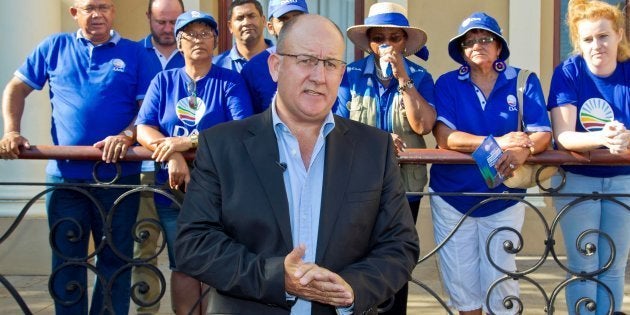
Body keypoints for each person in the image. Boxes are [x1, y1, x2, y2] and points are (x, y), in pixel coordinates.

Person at [175, 14, 419, 314]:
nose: (319, 76)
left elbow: (400, 245)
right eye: (306, 60)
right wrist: (277, 279)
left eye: (330, 63)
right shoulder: (222, 145)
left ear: (341, 73)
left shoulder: (374, 148)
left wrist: (352, 288)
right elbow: (194, 243)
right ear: (276, 67)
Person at [0, 0, 151, 314]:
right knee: (67, 264)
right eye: (89, 7)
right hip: (65, 179)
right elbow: (15, 88)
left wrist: (125, 134)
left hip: (118, 180)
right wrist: (12, 131)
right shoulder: (54, 46)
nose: (97, 14)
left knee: (116, 263)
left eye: (104, 6)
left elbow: (147, 114)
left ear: (114, 11)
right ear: (74, 12)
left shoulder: (137, 53)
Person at [429, 12, 552, 315]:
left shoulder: (524, 81)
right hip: (453, 198)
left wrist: (523, 151)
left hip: (504, 198)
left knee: (502, 283)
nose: (477, 45)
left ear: (499, 47)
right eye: (469, 42)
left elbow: (542, 134)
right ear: (461, 51)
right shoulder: (447, 83)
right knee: (462, 285)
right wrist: (498, 143)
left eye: (485, 39)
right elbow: (446, 137)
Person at [136, 10, 253, 314]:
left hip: (220, 190)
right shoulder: (163, 81)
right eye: (189, 34)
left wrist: (188, 142)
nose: (198, 40)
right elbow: (143, 127)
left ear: (216, 41)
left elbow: (242, 131)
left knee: (217, 262)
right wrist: (172, 153)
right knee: (183, 262)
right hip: (172, 188)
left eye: (205, 33)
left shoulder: (230, 81)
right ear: (178, 43)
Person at [335, 3, 435, 314]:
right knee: (358, 258)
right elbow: (335, 125)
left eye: (394, 37)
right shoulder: (350, 75)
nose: (387, 44)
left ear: (405, 41)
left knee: (396, 258)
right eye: (380, 38)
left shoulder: (421, 76)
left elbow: (424, 125)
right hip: (358, 186)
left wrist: (404, 77)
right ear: (370, 42)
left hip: (406, 187)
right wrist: (377, 141)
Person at [547, 0, 630, 314]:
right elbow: (564, 135)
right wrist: (605, 138)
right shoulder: (568, 72)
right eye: (588, 39)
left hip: (624, 181)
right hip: (577, 180)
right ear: (578, 42)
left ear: (619, 35)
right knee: (584, 262)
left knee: (613, 262)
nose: (597, 45)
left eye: (604, 36)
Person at [132, 0, 185, 313]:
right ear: (148, 18)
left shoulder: (196, 53)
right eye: (161, 22)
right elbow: (136, 117)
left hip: (191, 175)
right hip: (141, 171)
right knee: (143, 250)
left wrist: (176, 151)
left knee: (189, 255)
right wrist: (170, 150)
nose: (168, 29)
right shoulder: (132, 54)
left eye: (174, 22)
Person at [240, 0, 308, 113]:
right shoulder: (254, 69)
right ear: (270, 27)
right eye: (284, 19)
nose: (291, 23)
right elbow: (250, 122)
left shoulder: (325, 59)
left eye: (297, 17)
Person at [213, 0, 273, 73]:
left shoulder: (281, 59)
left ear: (263, 21)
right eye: (240, 18)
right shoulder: (216, 66)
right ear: (230, 26)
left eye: (252, 16)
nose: (246, 22)